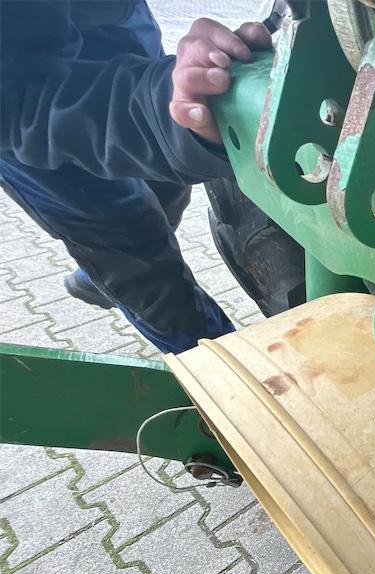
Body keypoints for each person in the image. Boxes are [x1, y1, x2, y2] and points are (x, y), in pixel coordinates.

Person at [0, 1, 272, 353]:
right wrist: (173, 106)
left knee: (166, 187)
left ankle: (98, 276)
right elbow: (22, 97)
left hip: (116, 24)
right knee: (139, 262)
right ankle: (222, 370)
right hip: (27, 105)